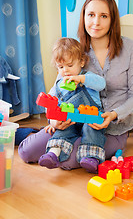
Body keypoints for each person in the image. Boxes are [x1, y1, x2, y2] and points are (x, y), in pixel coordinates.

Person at [18, 0, 133, 172]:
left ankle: (72, 145)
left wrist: (112, 115)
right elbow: (55, 91)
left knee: (68, 159)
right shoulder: (74, 50)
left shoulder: (132, 49)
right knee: (26, 152)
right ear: (84, 16)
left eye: (104, 16)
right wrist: (53, 120)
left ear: (112, 20)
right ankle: (35, 134)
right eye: (91, 15)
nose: (96, 22)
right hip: (72, 123)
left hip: (111, 128)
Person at [38, 37, 106, 173]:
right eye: (61, 67)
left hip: (89, 118)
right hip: (69, 120)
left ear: (81, 62)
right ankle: (53, 154)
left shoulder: (88, 77)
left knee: (92, 131)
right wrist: (52, 122)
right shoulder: (58, 85)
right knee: (62, 132)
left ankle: (90, 157)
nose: (66, 71)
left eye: (70, 66)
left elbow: (101, 84)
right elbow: (50, 104)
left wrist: (81, 79)